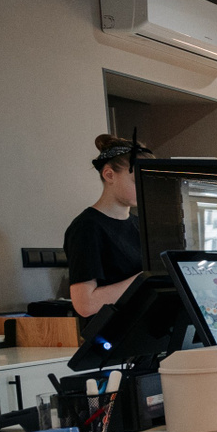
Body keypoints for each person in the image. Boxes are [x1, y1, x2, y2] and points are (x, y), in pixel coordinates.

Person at [65, 134, 145, 319]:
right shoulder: (86, 227)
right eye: (136, 180)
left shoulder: (140, 225)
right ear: (109, 175)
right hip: (112, 331)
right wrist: (144, 279)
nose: (144, 187)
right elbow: (85, 305)